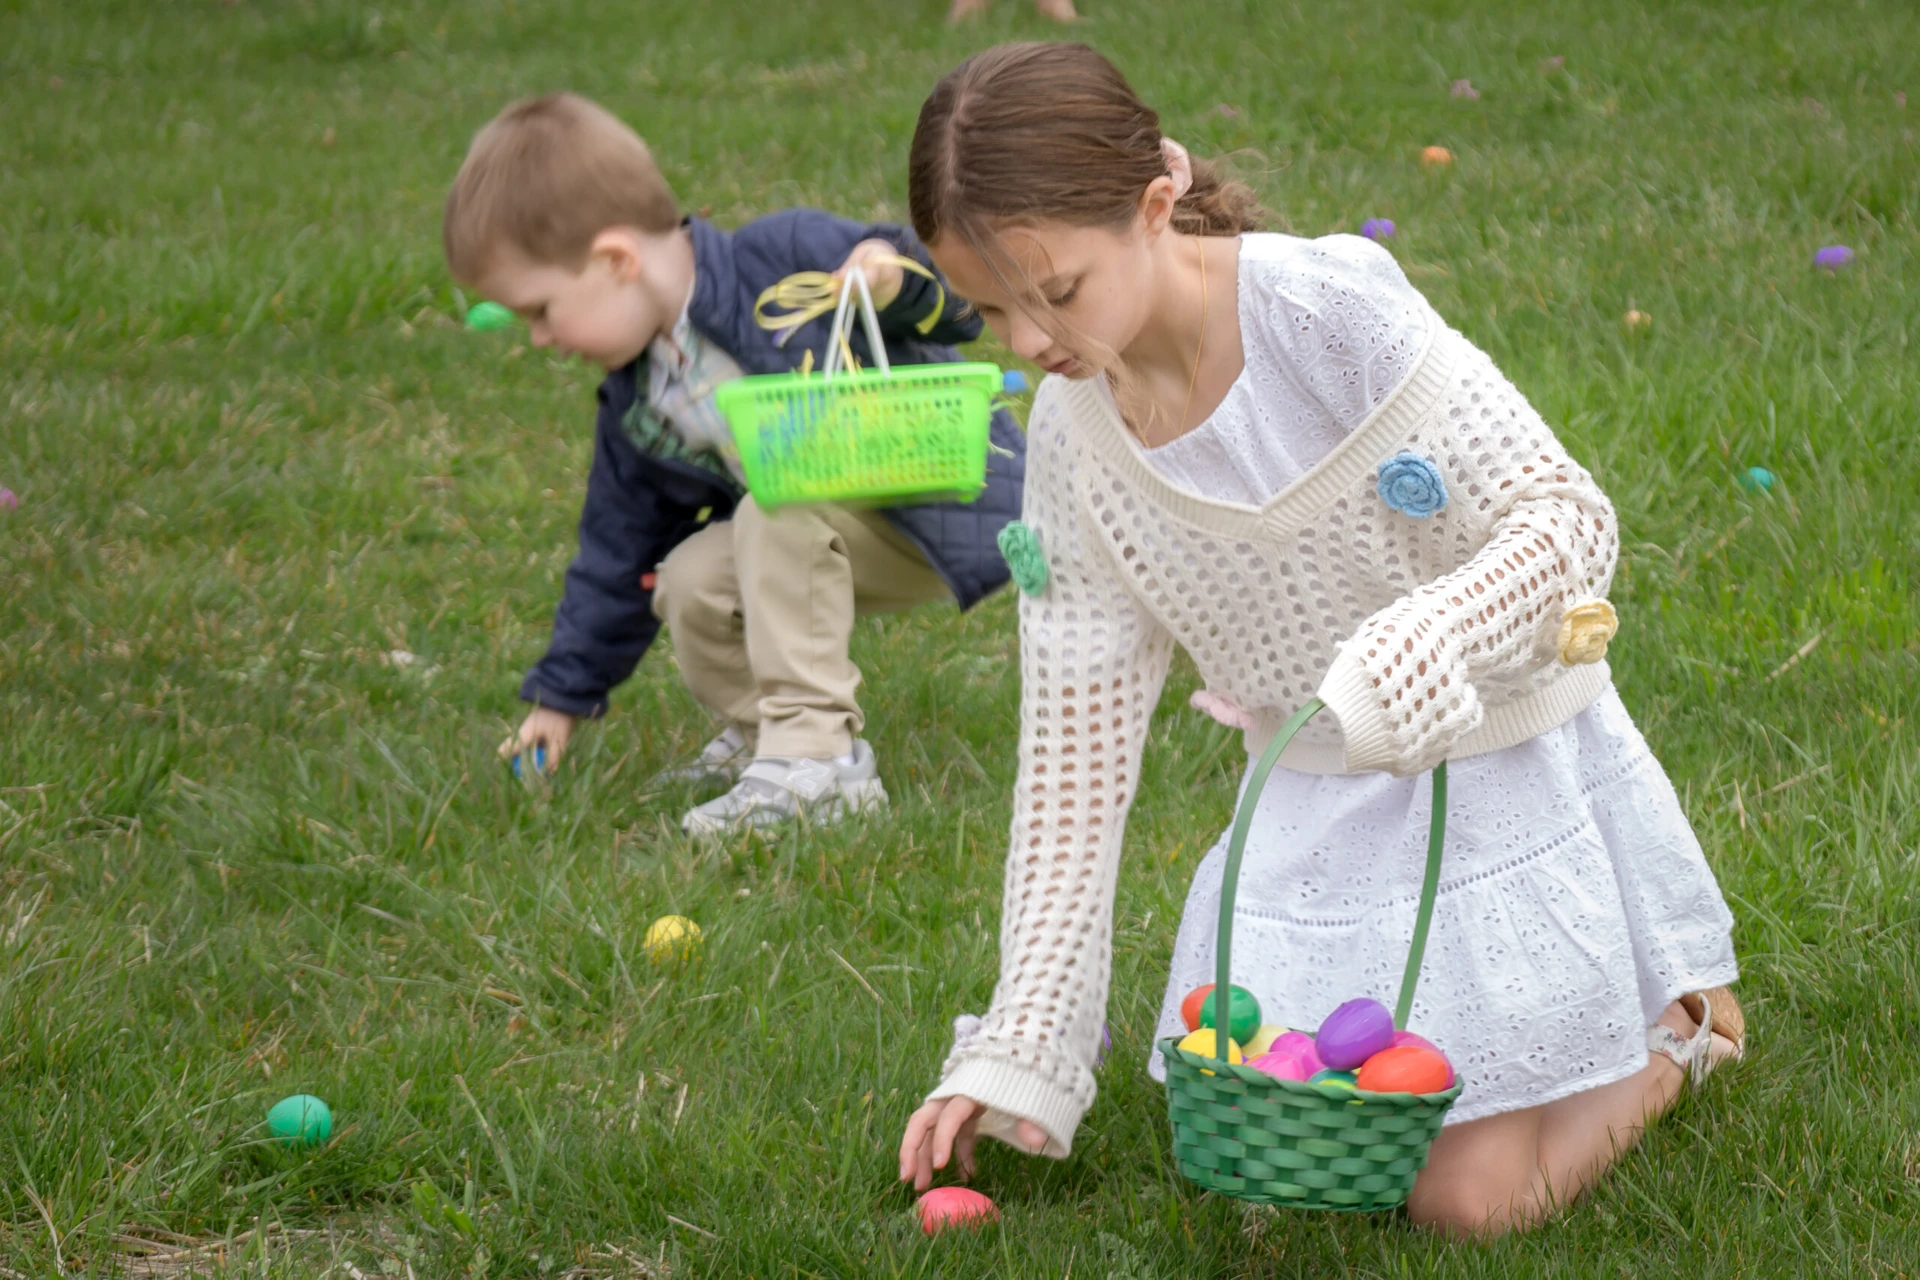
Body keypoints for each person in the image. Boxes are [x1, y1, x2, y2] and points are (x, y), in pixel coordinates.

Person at [892, 43, 1742, 1235]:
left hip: (1490, 773)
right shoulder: (1079, 444)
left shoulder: (1325, 314)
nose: (1030, 339)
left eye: (1057, 290)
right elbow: (1072, 765)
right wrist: (1021, 1045)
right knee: (1290, 1171)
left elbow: (1566, 521)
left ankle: (1680, 1035)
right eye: (989, 308)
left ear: (1153, 206)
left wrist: (1431, 634)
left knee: (1463, 1200)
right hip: (1317, 820)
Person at [443, 93, 1024, 836]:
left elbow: (959, 305)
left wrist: (889, 274)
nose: (537, 339)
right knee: (686, 578)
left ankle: (821, 767)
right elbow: (616, 555)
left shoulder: (783, 256)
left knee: (774, 500)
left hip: (946, 505)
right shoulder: (641, 398)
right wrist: (560, 699)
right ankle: (765, 742)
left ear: (615, 260)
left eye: (541, 311)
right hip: (809, 540)